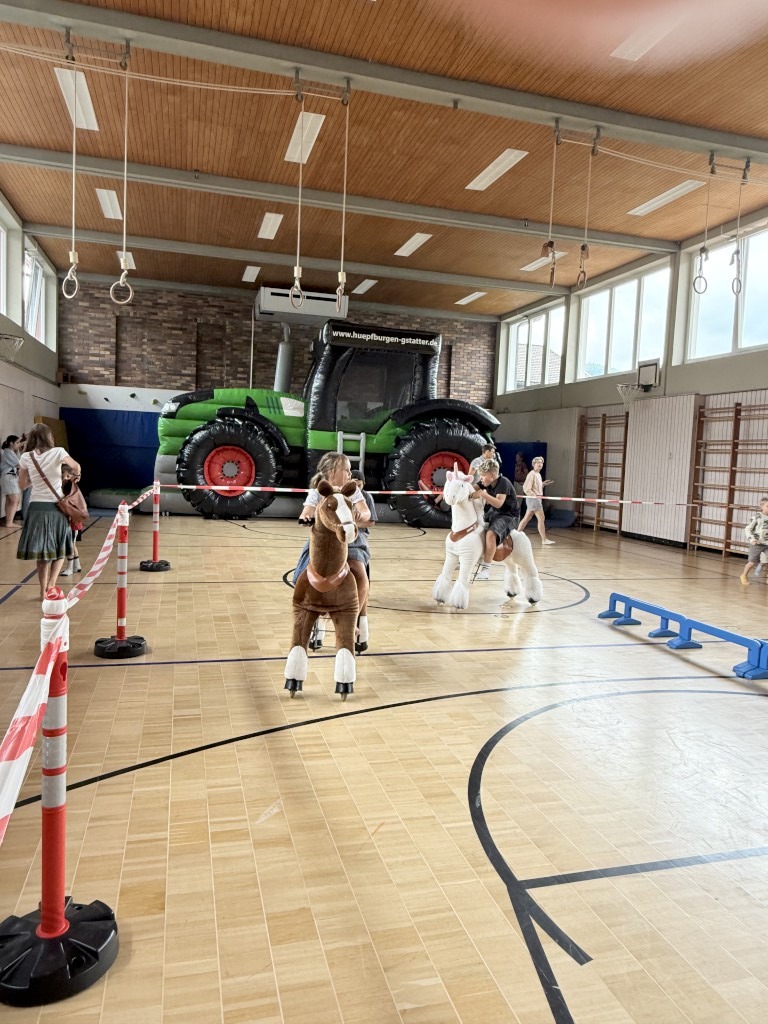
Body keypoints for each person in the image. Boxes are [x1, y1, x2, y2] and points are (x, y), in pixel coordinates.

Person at [17, 424, 81, 600]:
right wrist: (75, 477)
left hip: (36, 507)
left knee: (42, 552)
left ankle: (42, 590)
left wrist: (35, 480)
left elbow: (22, 485)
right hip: (56, 506)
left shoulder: (26, 457)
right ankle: (52, 586)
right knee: (60, 548)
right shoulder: (58, 452)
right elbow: (76, 466)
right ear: (49, 437)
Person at [294, 452, 371, 585]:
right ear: (332, 471)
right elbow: (306, 512)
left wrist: (361, 515)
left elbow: (366, 512)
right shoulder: (317, 493)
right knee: (304, 572)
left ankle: (360, 598)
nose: (350, 473)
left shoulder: (352, 491)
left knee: (359, 571)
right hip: (324, 537)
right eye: (346, 470)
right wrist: (306, 518)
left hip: (350, 534)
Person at [473, 458, 519, 580]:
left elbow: (498, 503)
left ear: (492, 475)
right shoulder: (485, 482)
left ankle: (486, 569)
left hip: (509, 516)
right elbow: (471, 488)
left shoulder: (503, 482)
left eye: (483, 475)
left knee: (491, 533)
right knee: (474, 526)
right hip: (495, 513)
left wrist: (483, 494)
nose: (481, 478)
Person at [518, 455, 556, 546]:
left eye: (541, 462)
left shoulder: (538, 474)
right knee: (541, 518)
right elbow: (526, 488)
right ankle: (544, 539)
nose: (540, 464)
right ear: (534, 464)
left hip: (536, 499)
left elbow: (535, 487)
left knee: (527, 518)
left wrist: (542, 484)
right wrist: (534, 496)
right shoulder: (531, 474)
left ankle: (516, 534)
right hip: (534, 499)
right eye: (538, 462)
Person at [59, 462, 84, 576]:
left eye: (68, 476)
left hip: (73, 521)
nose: (65, 478)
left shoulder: (71, 488)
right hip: (73, 520)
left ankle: (69, 567)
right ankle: (77, 565)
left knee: (69, 544)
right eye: (63, 475)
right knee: (73, 544)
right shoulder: (65, 486)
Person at [740, 496, 768, 586]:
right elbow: (748, 529)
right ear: (761, 507)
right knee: (752, 562)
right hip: (757, 543)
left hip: (767, 543)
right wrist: (751, 539)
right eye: (767, 506)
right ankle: (744, 575)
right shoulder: (756, 517)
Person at [1, 434, 24, 528]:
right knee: (15, 500)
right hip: (9, 477)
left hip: (9, 477)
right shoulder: (7, 452)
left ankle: (8, 521)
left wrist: (20, 450)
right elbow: (19, 464)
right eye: (17, 443)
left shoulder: (11, 452)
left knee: (10, 500)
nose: (18, 444)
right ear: (11, 443)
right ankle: (9, 522)